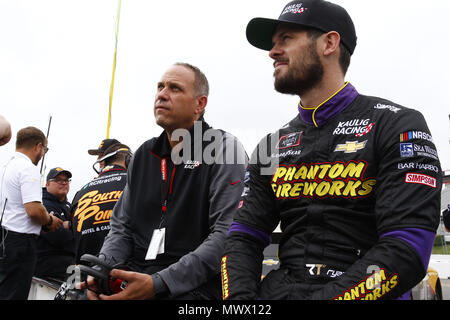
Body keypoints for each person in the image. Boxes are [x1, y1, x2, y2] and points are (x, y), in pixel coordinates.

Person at [221, 0, 442, 300]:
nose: (272, 52)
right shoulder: (270, 146)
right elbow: (242, 237)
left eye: (286, 39)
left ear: (329, 43)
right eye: (273, 44)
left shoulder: (397, 124)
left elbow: (408, 248)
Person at [86, 62, 247, 300]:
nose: (162, 94)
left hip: (195, 284)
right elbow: (122, 227)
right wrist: (102, 271)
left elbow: (226, 234)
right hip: (136, 274)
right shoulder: (143, 154)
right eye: (160, 87)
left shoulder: (225, 149)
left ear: (199, 104)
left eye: (175, 88)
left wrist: (160, 283)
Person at [0, 126, 63, 299]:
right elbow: (34, 210)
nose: (43, 153)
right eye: (45, 149)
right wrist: (50, 221)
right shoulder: (27, 168)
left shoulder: (6, 166)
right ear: (38, 146)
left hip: (5, 238)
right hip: (20, 243)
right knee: (15, 294)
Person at [71, 143, 131, 263]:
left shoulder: (81, 191)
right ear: (129, 160)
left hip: (82, 272)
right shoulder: (135, 183)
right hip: (123, 271)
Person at [34, 167, 75, 281]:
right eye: (58, 180)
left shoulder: (69, 206)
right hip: (47, 269)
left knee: (77, 292)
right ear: (47, 184)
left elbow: (80, 234)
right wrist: (73, 228)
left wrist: (69, 226)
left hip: (71, 266)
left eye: (66, 180)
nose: (63, 183)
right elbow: (58, 236)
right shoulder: (41, 205)